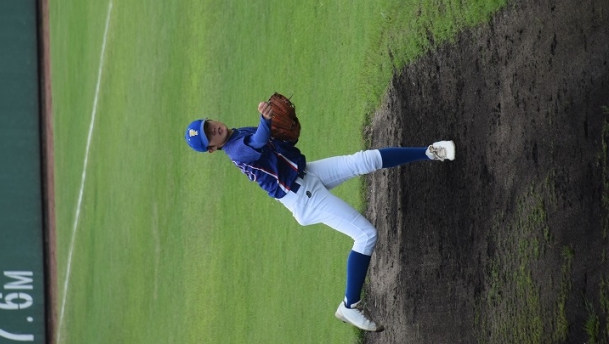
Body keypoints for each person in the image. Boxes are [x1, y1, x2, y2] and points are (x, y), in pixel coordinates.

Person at [185, 100, 455, 332]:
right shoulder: (235, 149)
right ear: (212, 149)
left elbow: (276, 147)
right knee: (365, 235)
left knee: (363, 160)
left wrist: (285, 137)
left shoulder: (235, 134)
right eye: (209, 135)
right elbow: (258, 142)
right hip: (303, 198)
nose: (213, 129)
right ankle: (349, 305)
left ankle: (431, 152)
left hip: (306, 175)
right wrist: (265, 121)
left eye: (209, 125)